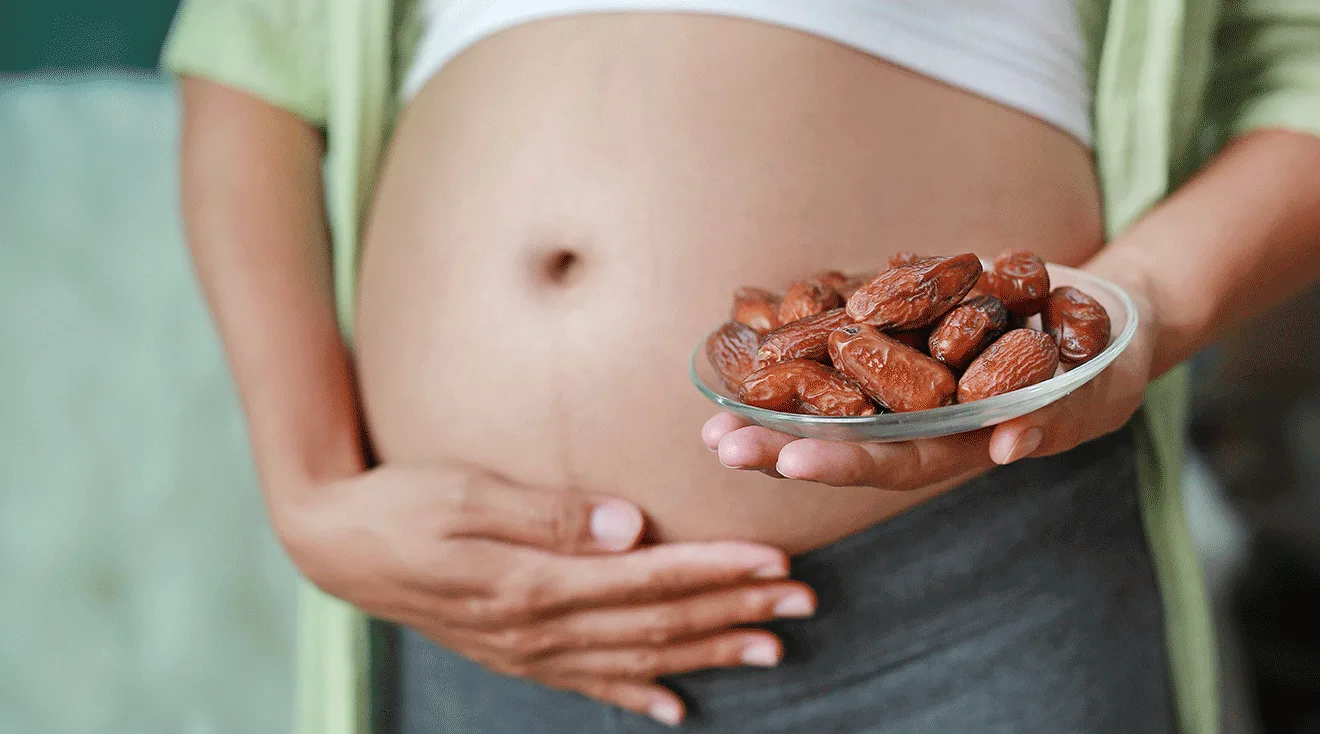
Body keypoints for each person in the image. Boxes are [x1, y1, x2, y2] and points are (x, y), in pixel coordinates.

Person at [162, 1, 1320, 732]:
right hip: (477, 610)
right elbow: (249, 58)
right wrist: (306, 486)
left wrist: (1150, 307)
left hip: (965, 595)